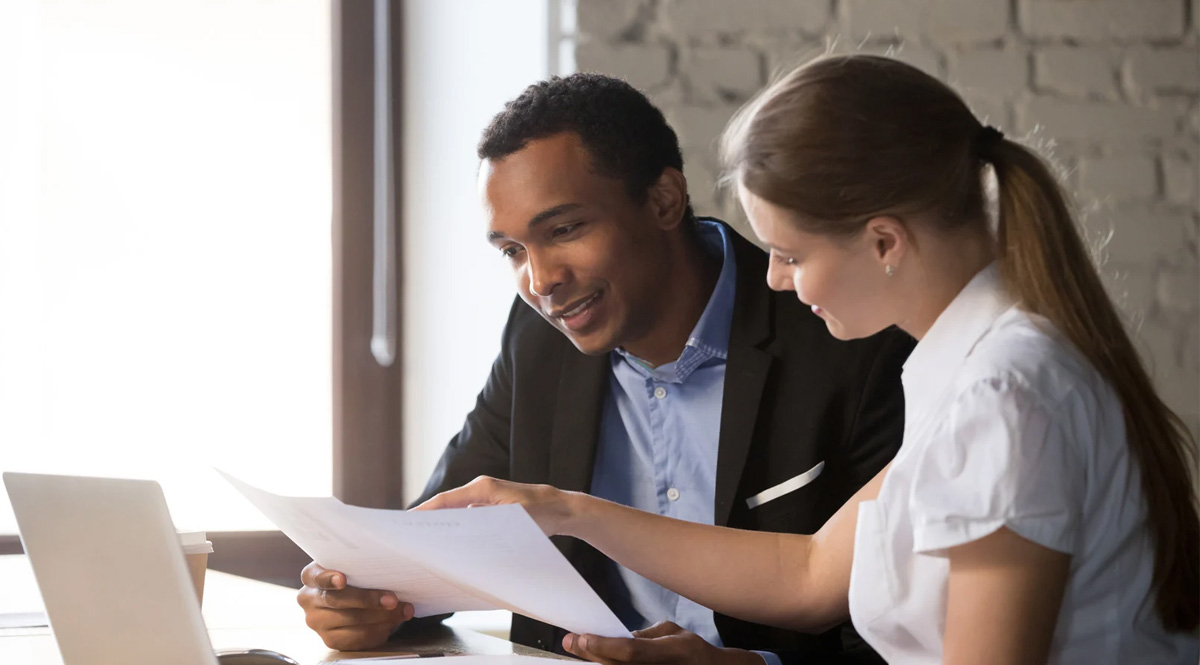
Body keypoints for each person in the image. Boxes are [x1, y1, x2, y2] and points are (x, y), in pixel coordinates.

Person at [418, 55, 1200, 664]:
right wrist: (565, 510)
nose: (774, 278)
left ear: (884, 242)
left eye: (790, 252)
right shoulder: (974, 367)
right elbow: (810, 573)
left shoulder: (1004, 395)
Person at [296, 73, 914, 664]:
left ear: (664, 200)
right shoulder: (538, 339)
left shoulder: (851, 337)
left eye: (563, 229)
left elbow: (907, 629)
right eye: (513, 251)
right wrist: (370, 600)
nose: (540, 282)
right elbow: (439, 543)